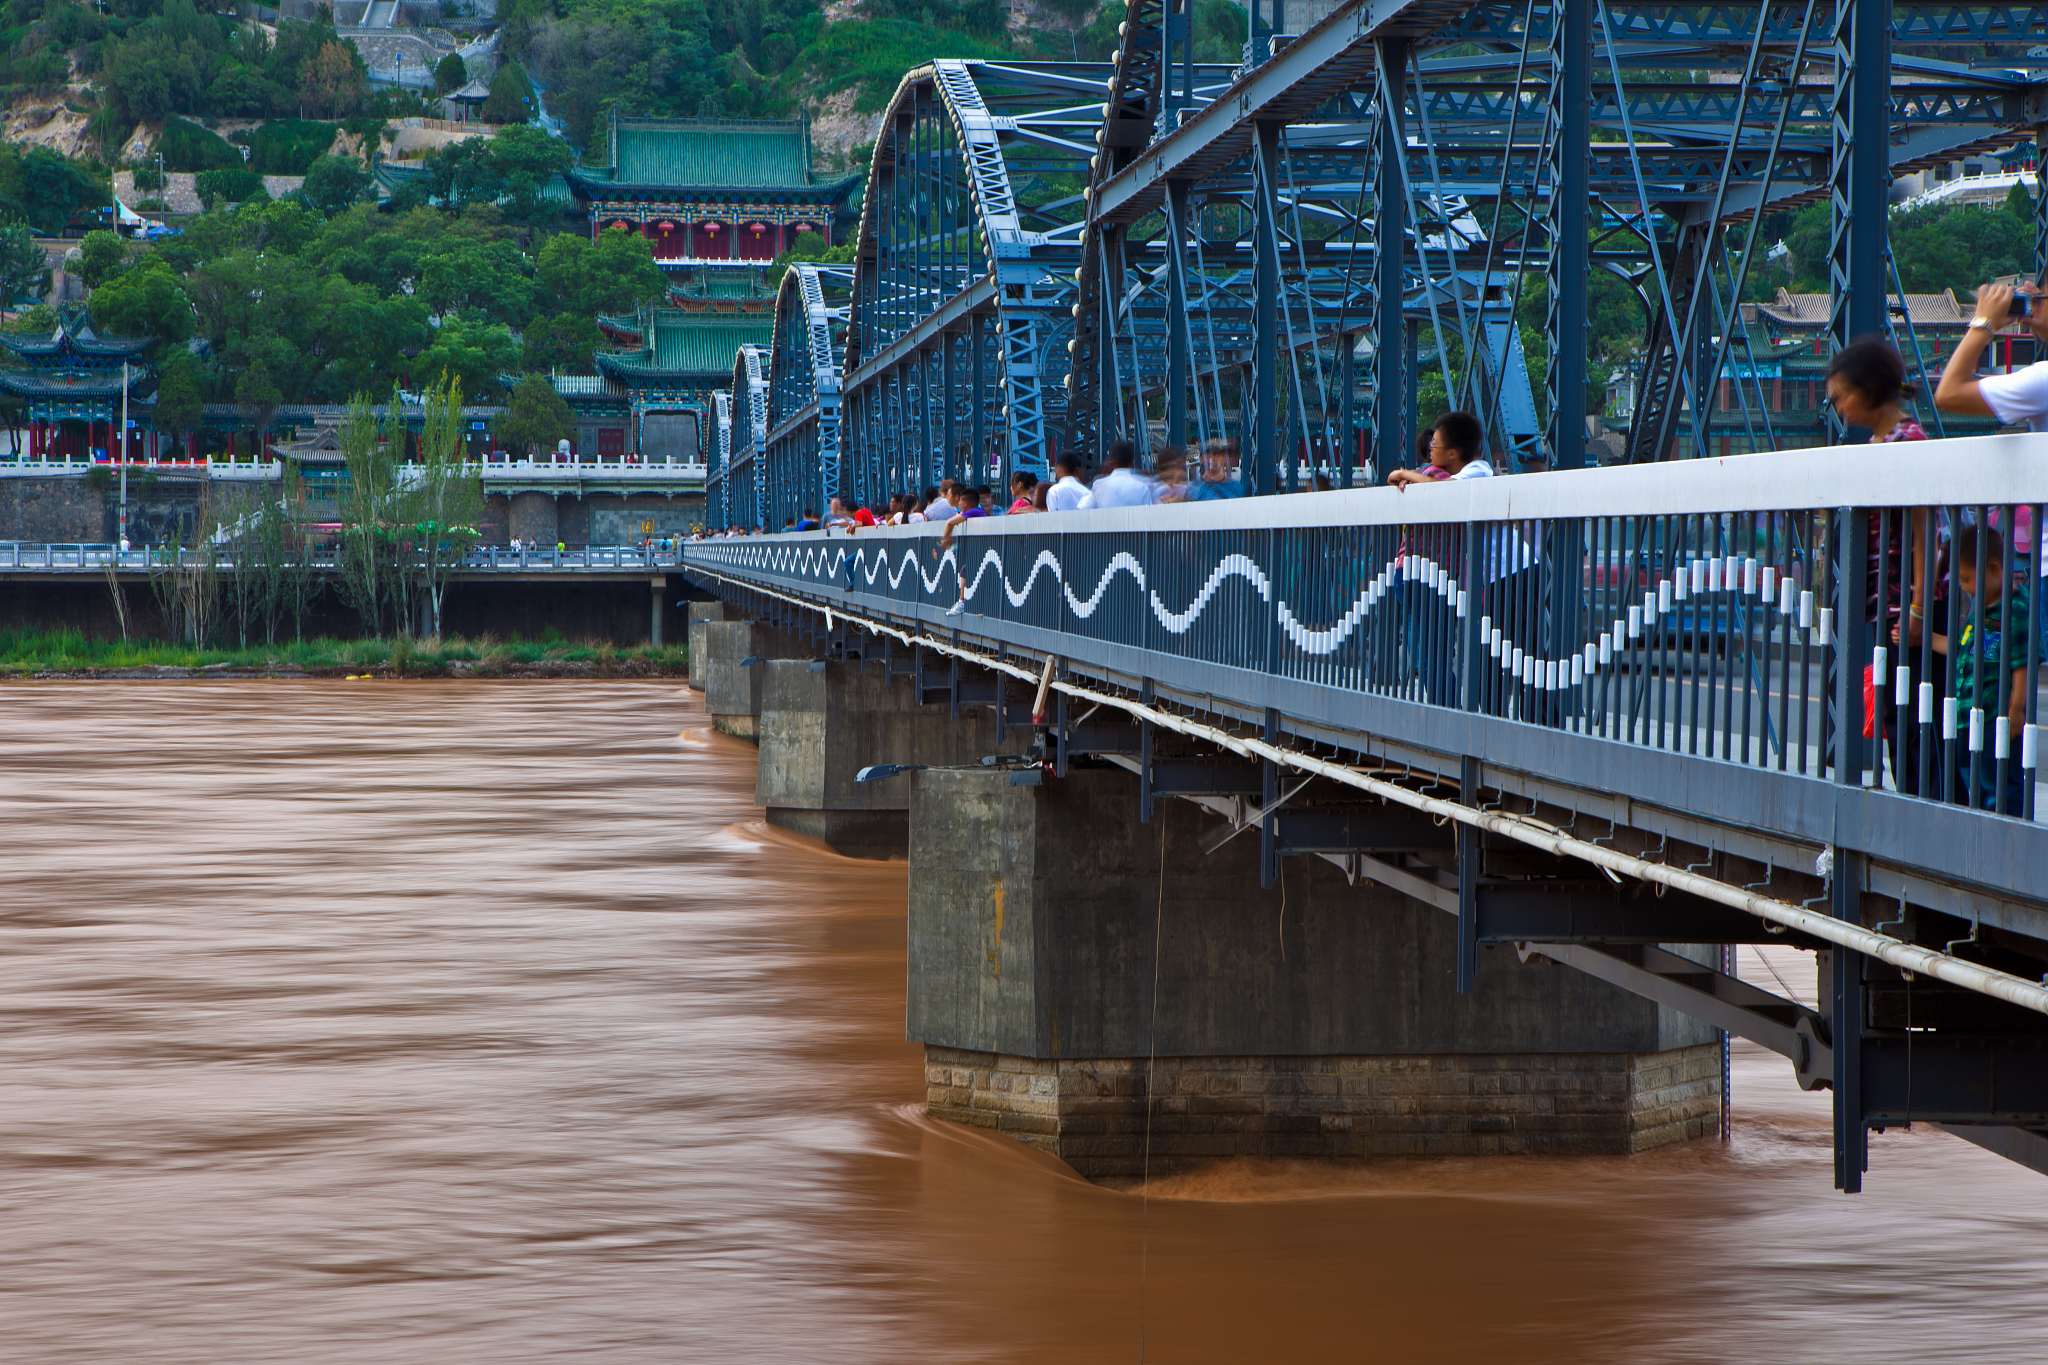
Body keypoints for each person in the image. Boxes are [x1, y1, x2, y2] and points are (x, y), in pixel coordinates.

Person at [1900, 524, 2031, 814]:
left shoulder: (2016, 609)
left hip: (1996, 717)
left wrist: (2017, 708)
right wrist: (1923, 637)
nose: (1964, 587)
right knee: (1976, 779)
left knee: (1999, 784)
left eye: (1968, 579)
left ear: (1994, 569)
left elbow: (2022, 662)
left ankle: (2004, 835)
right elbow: (1961, 649)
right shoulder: (1980, 609)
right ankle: (1983, 830)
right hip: (1970, 717)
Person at [938, 486, 991, 616]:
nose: (959, 505)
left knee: (965, 570)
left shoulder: (973, 512)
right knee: (964, 570)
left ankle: (961, 603)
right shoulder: (977, 511)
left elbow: (950, 522)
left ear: (966, 503)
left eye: (960, 502)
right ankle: (961, 602)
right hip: (983, 550)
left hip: (983, 551)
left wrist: (945, 539)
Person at [1085, 440, 1157, 508]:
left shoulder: (1098, 485)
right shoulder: (1142, 487)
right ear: (1132, 463)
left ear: (1111, 463)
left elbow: (1085, 508)